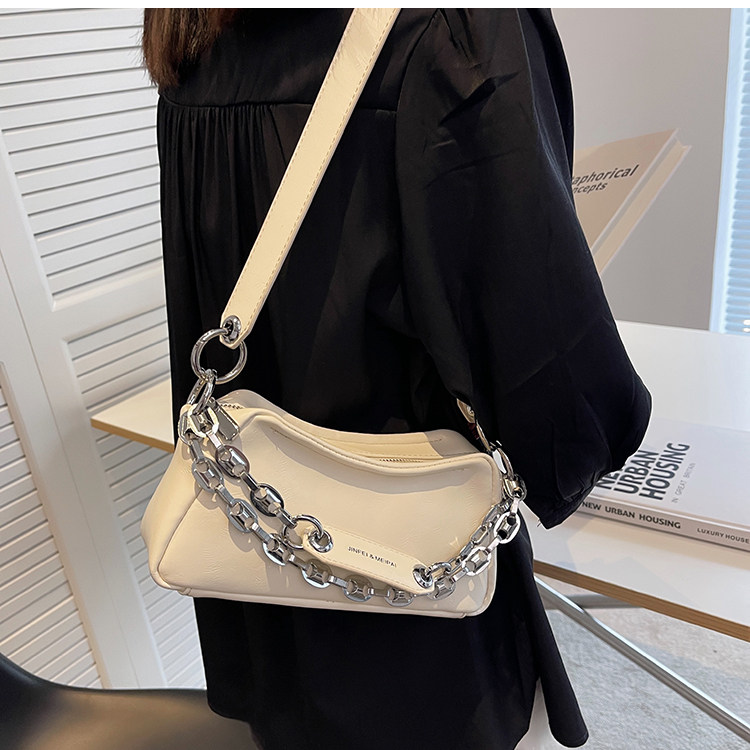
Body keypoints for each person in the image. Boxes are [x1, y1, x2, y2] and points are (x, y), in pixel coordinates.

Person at [142, 9, 651, 749]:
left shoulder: (192, 31)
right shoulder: (450, 27)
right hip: (410, 579)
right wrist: (595, 437)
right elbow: (550, 379)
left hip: (255, 566)